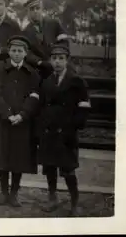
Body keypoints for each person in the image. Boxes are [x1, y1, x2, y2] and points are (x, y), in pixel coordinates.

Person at [0, 35, 41, 207]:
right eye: (13, 51)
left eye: (20, 51)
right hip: (3, 120)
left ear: (26, 53)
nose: (16, 54)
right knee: (3, 155)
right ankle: (3, 192)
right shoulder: (0, 69)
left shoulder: (32, 73)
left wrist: (22, 114)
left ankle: (14, 193)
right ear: (9, 52)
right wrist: (7, 114)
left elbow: (34, 96)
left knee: (18, 157)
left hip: (22, 122)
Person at [36, 43, 91, 217]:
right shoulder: (47, 82)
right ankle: (53, 198)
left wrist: (74, 127)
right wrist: (42, 128)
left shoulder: (76, 81)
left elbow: (83, 107)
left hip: (66, 133)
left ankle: (75, 202)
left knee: (68, 170)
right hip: (49, 132)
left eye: (61, 59)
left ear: (67, 61)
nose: (57, 62)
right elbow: (42, 106)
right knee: (50, 168)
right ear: (50, 61)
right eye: (54, 59)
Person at [21, 0, 70, 79]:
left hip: (58, 62)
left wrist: (56, 57)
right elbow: (26, 52)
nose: (35, 11)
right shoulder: (26, 31)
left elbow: (64, 41)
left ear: (42, 9)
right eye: (32, 9)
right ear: (28, 12)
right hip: (39, 67)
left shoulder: (54, 23)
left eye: (37, 8)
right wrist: (39, 62)